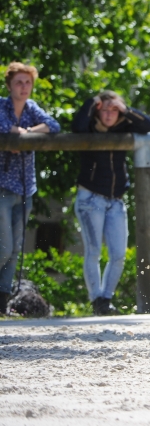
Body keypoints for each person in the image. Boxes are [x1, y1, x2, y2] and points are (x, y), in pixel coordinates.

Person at [72, 90, 150, 316]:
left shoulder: (124, 125)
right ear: (98, 111)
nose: (109, 114)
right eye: (105, 109)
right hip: (91, 198)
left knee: (118, 254)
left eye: (114, 109)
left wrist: (126, 109)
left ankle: (106, 300)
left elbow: (148, 125)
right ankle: (96, 299)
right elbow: (77, 126)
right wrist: (93, 101)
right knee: (93, 251)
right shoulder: (89, 126)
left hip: (116, 201)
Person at [0, 63, 60, 315]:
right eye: (19, 82)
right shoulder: (1, 106)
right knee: (4, 247)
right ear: (9, 85)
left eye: (28, 83)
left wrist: (26, 134)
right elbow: (4, 127)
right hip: (2, 186)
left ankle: (2, 298)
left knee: (16, 248)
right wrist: (18, 136)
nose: (24, 87)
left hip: (26, 187)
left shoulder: (31, 107)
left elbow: (53, 125)